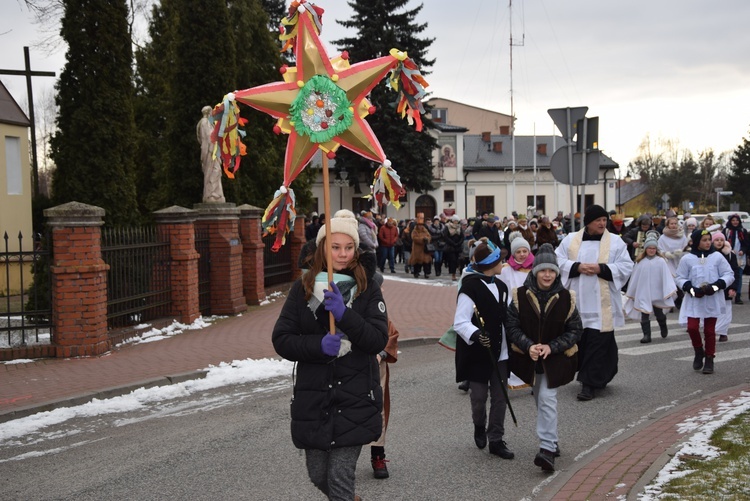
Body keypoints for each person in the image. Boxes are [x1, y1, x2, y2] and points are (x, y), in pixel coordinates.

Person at [271, 209, 388, 500]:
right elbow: (282, 339)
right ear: (323, 248)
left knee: (339, 476)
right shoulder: (303, 288)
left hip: (355, 397)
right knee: (318, 474)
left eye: (349, 247)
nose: (343, 254)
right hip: (315, 399)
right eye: (335, 247)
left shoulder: (367, 287)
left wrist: (344, 315)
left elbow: (377, 339)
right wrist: (317, 345)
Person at [505, 243, 583, 472]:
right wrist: (528, 345)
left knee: (547, 398)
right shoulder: (519, 295)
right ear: (535, 271)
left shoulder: (567, 298)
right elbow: (512, 326)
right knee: (539, 397)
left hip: (555, 358)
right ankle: (553, 439)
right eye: (543, 270)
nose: (547, 275)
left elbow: (575, 331)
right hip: (529, 358)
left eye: (551, 271)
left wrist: (552, 346)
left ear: (557, 273)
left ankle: (547, 449)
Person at [555, 205, 634, 401]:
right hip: (579, 302)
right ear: (588, 222)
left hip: (602, 304)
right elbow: (557, 261)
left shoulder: (615, 242)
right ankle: (596, 375)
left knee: (598, 343)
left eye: (604, 220)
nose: (602, 223)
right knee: (582, 342)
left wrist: (602, 269)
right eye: (598, 220)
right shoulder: (570, 240)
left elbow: (626, 266)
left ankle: (588, 384)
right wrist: (577, 267)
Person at [452, 241, 515, 460]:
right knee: (478, 398)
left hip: (501, 352)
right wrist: (477, 334)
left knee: (500, 398)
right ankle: (479, 425)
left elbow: (508, 318)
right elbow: (460, 322)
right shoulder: (469, 287)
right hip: (478, 354)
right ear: (491, 263)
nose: (504, 263)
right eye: (500, 260)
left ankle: (496, 439)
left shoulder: (502, 287)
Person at [675, 228, 734, 374]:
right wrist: (691, 289)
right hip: (695, 299)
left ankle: (709, 358)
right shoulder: (687, 259)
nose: (708, 243)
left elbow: (729, 274)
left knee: (709, 330)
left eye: (709, 240)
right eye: (704, 240)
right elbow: (680, 277)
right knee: (693, 327)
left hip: (712, 298)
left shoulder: (717, 257)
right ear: (696, 242)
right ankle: (698, 351)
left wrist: (716, 286)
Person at [369, 272, 399, 479]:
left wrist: (381, 354)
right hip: (353, 367)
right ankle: (344, 460)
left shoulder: (381, 310)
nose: (382, 290)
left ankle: (378, 456)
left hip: (376, 366)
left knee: (377, 409)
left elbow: (392, 333)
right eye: (379, 287)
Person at [623, 232, 677, 343]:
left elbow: (666, 277)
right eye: (649, 248)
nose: (651, 250)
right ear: (646, 249)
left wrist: (667, 290)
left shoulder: (661, 261)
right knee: (644, 313)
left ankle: (663, 324)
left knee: (659, 313)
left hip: (657, 293)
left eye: (654, 248)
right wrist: (633, 292)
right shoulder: (640, 262)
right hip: (643, 292)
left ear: (656, 249)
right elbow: (635, 278)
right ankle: (646, 335)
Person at [711, 232, 740, 342]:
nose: (719, 242)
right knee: (713, 309)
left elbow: (735, 272)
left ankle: (723, 332)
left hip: (726, 286)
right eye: (717, 240)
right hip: (713, 286)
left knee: (725, 310)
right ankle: (711, 330)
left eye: (721, 240)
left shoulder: (730, 254)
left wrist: (733, 287)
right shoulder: (708, 254)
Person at [196, 105, 226, 203]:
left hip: (213, 150)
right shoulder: (204, 122)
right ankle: (211, 194)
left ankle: (215, 193)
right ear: (208, 113)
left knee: (217, 170)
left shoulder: (208, 122)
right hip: (210, 150)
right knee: (213, 171)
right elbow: (207, 137)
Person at [723, 214, 748, 304]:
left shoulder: (742, 231)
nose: (735, 222)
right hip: (728, 256)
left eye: (736, 220)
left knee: (739, 276)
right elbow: (722, 242)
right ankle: (727, 293)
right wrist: (728, 249)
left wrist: (743, 250)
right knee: (728, 275)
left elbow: (746, 244)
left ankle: (738, 295)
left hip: (740, 257)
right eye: (733, 220)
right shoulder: (726, 231)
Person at [409, 214, 433, 279]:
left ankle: (426, 273)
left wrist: (427, 239)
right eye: (418, 225)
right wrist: (422, 239)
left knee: (426, 262)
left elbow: (429, 236)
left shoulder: (425, 230)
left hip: (424, 249)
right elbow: (414, 238)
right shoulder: (414, 231)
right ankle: (416, 273)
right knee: (417, 263)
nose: (420, 226)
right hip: (417, 250)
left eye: (421, 225)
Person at [443, 215, 464, 281]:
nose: (456, 222)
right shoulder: (448, 226)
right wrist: (453, 243)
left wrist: (459, 243)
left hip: (458, 246)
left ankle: (458, 270)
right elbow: (446, 236)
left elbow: (462, 236)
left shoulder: (459, 227)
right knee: (453, 260)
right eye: (455, 220)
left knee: (459, 260)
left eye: (457, 221)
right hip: (451, 247)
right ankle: (453, 274)